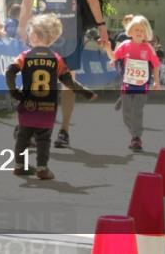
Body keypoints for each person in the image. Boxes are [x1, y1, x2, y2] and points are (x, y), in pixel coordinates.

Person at [17, 0, 108, 149]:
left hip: (71, 31)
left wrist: (102, 26)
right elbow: (28, 0)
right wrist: (21, 28)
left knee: (68, 82)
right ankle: (36, 126)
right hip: (44, 32)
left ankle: (64, 131)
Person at [5, 14, 96, 180]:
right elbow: (68, 81)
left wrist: (14, 92)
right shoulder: (57, 59)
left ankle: (19, 165)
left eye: (29, 31)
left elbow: (10, 71)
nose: (28, 34)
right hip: (47, 107)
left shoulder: (25, 56)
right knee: (44, 139)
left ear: (36, 35)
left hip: (28, 105)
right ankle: (42, 168)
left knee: (23, 136)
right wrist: (86, 92)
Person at [99, 15, 160, 151]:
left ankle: (136, 138)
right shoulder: (125, 45)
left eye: (142, 30)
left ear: (146, 33)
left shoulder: (148, 48)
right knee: (127, 113)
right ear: (131, 31)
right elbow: (114, 57)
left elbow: (156, 65)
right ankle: (133, 131)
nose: (139, 32)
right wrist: (108, 48)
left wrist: (156, 81)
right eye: (136, 29)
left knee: (137, 110)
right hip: (127, 84)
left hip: (142, 85)